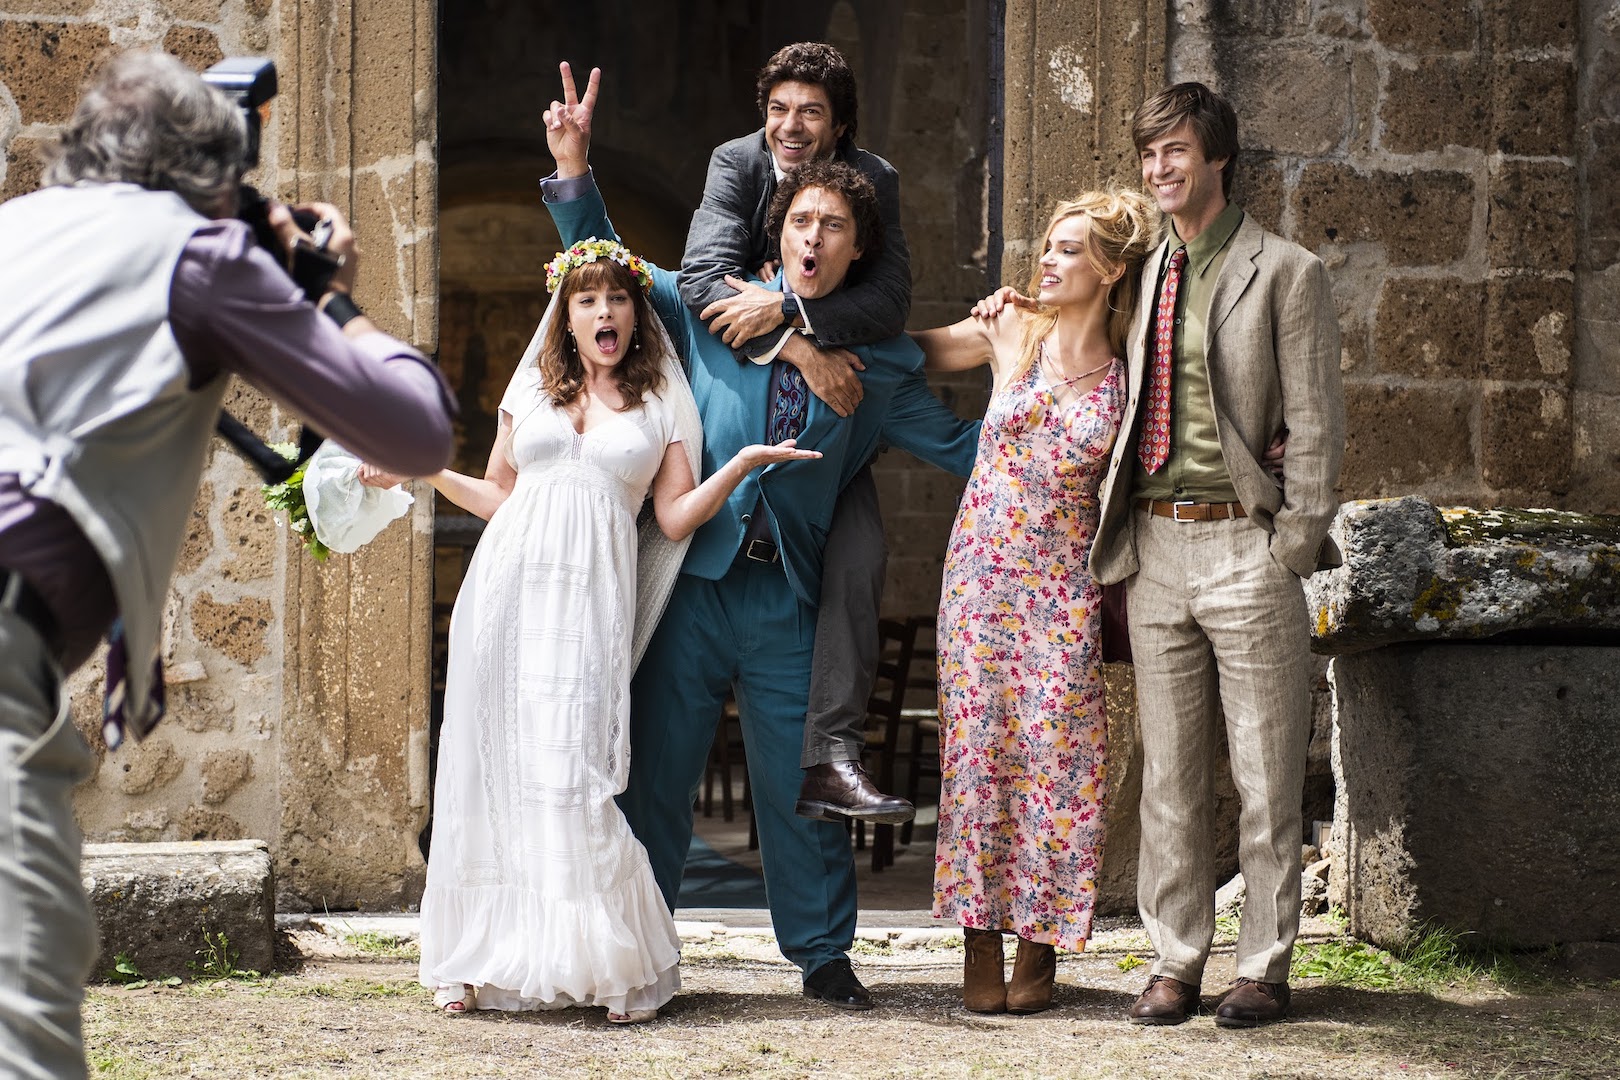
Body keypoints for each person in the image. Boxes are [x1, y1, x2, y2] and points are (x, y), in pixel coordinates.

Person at [0, 51, 457, 1079]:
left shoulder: (17, 229)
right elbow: (416, 431)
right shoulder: (197, 254)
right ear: (215, 179)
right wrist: (326, 297)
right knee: (21, 1014)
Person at [540, 64, 978, 1011]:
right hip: (691, 581)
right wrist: (573, 168)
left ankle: (822, 953)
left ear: (858, 249)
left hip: (787, 597)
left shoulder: (878, 365)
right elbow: (609, 266)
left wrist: (1066, 399)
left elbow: (964, 448)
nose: (813, 237)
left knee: (798, 779)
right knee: (656, 774)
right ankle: (637, 951)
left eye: (833, 226)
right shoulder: (712, 312)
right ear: (776, 231)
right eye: (800, 222)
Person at [371, 236, 819, 1022]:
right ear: (567, 315)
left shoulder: (661, 401)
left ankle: (612, 964)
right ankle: (470, 958)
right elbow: (498, 497)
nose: (604, 311)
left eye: (617, 298)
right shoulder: (532, 392)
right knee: (489, 764)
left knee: (573, 770)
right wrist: (423, 466)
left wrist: (741, 465)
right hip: (505, 593)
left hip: (589, 607)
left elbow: (673, 518)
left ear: (636, 314)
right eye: (587, 300)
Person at [1091, 82, 1345, 1028]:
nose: (1159, 168)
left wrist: (1293, 545)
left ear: (1217, 158)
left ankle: (1264, 965)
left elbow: (1316, 423)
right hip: (1154, 545)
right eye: (1149, 153)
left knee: (1268, 773)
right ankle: (1175, 960)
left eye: (1176, 151)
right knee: (1168, 774)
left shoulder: (1287, 271)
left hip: (1247, 545)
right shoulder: (1142, 271)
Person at [912, 190, 1159, 1015]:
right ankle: (979, 935)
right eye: (1048, 246)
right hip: (980, 583)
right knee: (978, 755)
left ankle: (1040, 939)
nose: (1047, 260)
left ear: (1111, 270)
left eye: (1069, 249)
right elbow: (906, 356)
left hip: (1064, 590)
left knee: (1060, 760)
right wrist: (803, 323)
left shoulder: (1133, 369)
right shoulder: (1012, 329)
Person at [680, 42, 919, 824]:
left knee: (862, 557)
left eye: (811, 112)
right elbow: (700, 279)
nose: (790, 126)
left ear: (840, 126)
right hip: (740, 405)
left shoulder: (874, 178)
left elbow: (889, 304)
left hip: (829, 426)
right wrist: (796, 348)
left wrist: (786, 308)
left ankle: (833, 757)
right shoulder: (735, 162)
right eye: (778, 109)